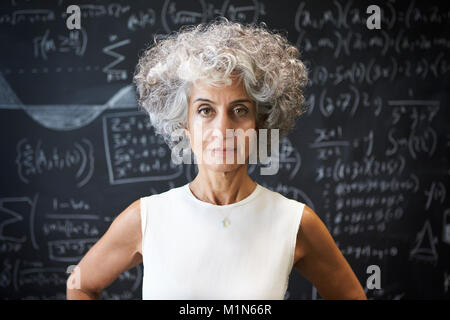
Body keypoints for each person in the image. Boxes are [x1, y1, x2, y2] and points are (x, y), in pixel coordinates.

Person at [66, 18, 367, 300]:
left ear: (261, 124)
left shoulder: (295, 222)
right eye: (205, 110)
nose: (222, 130)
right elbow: (81, 286)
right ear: (184, 124)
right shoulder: (145, 218)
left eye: (239, 110)